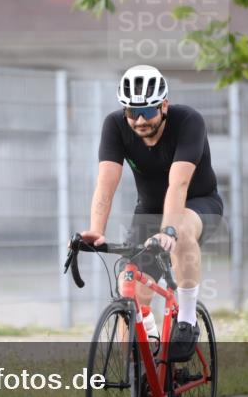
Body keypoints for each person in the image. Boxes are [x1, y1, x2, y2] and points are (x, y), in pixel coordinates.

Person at [81, 64, 224, 362]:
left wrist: (169, 230)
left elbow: (179, 184)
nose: (141, 120)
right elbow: (105, 186)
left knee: (181, 229)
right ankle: (139, 375)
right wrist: (96, 230)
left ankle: (186, 320)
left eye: (148, 110)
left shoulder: (188, 122)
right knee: (128, 287)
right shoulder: (115, 126)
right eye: (133, 112)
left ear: (164, 105)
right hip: (149, 213)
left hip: (199, 205)